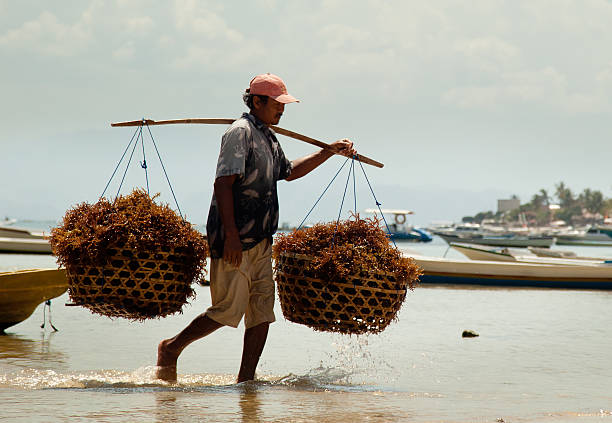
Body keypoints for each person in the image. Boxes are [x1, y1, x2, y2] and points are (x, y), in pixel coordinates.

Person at [156, 73, 356, 383]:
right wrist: (233, 237)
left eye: (283, 105)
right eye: (277, 104)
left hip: (262, 239)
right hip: (235, 238)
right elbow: (223, 185)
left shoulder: (267, 136)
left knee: (262, 311)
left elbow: (288, 172)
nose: (282, 110)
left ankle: (245, 381)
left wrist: (328, 152)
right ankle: (171, 348)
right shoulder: (240, 133)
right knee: (226, 310)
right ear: (258, 101)